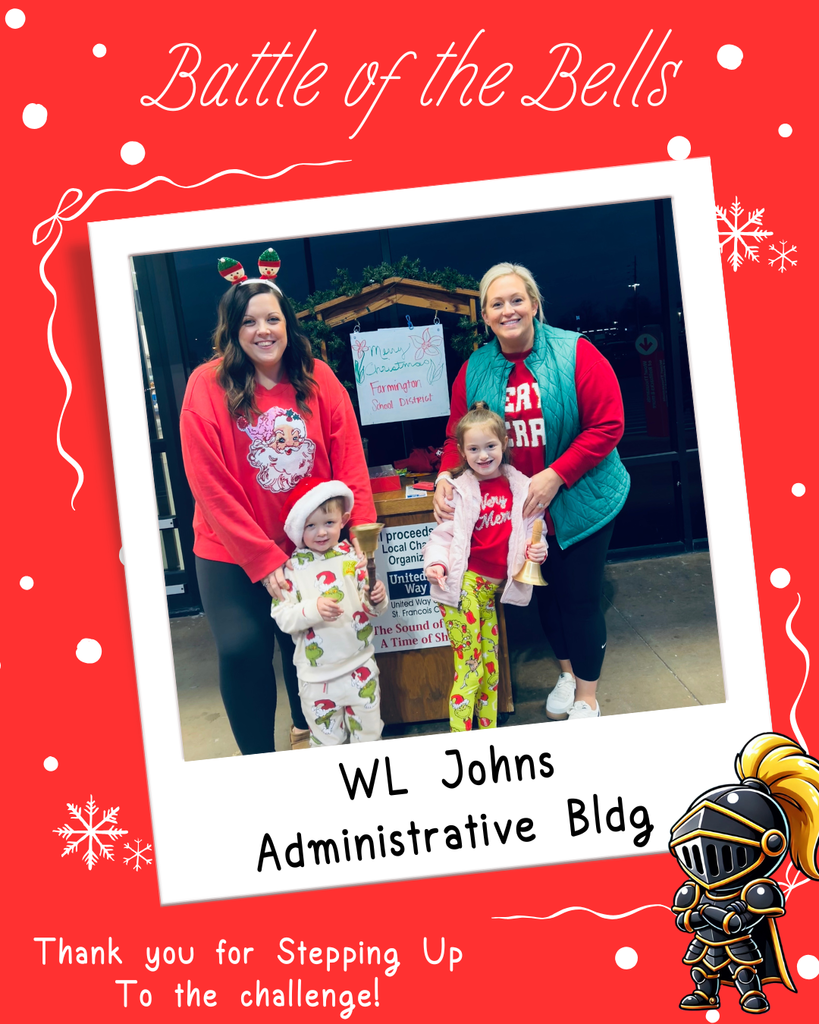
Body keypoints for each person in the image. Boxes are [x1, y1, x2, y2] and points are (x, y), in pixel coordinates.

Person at [180, 259, 375, 755]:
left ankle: (307, 727)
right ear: (232, 329)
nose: (262, 330)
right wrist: (263, 559)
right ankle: (258, 763)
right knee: (244, 649)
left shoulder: (318, 379)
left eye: (272, 319)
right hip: (229, 552)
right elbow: (209, 484)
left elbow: (349, 456)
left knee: (313, 635)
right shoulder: (207, 384)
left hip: (309, 545)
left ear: (287, 323)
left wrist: (362, 536)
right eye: (248, 321)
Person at [434, 262, 629, 722]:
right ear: (484, 315)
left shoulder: (575, 352)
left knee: (579, 596)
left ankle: (587, 696)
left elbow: (609, 424)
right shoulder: (476, 368)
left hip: (582, 499)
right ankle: (566, 673)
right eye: (497, 304)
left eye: (516, 299)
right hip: (521, 511)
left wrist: (557, 474)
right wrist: (445, 477)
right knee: (541, 590)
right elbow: (454, 437)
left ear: (535, 305)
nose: (508, 310)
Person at [423, 403, 547, 733]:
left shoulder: (521, 486)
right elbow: (441, 537)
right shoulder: (461, 491)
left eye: (490, 446)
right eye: (473, 449)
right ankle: (461, 741)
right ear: (462, 452)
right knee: (470, 668)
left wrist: (538, 549)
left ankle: (489, 737)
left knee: (491, 670)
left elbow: (533, 528)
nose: (483, 455)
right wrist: (436, 563)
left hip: (490, 592)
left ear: (504, 444)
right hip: (462, 587)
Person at [270, 478, 389, 746]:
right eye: (310, 526)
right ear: (297, 529)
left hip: (360, 667)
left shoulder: (351, 558)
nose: (321, 532)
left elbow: (369, 606)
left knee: (369, 737)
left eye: (329, 523)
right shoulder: (290, 570)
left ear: (344, 519)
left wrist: (376, 598)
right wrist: (313, 609)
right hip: (316, 679)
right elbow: (282, 616)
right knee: (326, 743)